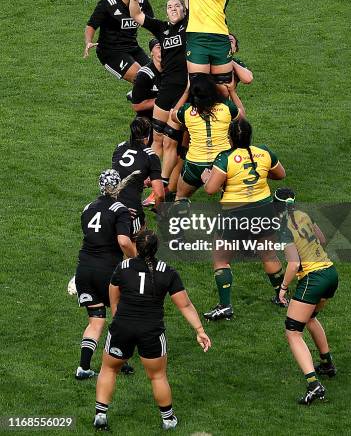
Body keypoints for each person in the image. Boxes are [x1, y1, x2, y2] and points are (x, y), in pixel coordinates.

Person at [93, 229, 211, 432]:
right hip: (151, 331)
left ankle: (101, 415)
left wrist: (118, 314)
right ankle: (167, 419)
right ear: (157, 249)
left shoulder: (123, 267)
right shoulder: (168, 272)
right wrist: (200, 330)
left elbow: (113, 292)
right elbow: (185, 305)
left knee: (109, 368)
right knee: (157, 376)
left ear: (137, 247)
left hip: (122, 327)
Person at [201, 118, 286, 320]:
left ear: (229, 138)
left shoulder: (225, 158)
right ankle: (282, 297)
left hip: (235, 213)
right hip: (264, 210)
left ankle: (225, 306)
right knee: (269, 255)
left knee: (221, 259)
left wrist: (207, 179)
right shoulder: (264, 152)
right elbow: (280, 174)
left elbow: (211, 190)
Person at [129, 0, 189, 204]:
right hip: (166, 87)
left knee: (173, 141)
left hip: (183, 88)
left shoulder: (189, 25)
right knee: (158, 139)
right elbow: (136, 15)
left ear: (184, 11)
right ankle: (156, 182)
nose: (173, 8)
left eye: (177, 6)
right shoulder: (163, 29)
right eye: (169, 7)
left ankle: (163, 187)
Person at [274, 188, 339, 405]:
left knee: (292, 332)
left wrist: (282, 289)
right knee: (310, 318)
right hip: (330, 273)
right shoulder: (304, 215)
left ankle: (314, 384)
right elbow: (322, 238)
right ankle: (327, 364)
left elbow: (293, 264)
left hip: (313, 279)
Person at [75, 170, 136, 380]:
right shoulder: (121, 210)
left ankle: (83, 367)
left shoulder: (87, 208)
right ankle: (121, 359)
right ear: (119, 186)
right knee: (120, 316)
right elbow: (123, 241)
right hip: (107, 271)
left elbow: (96, 231)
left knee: (96, 320)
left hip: (84, 269)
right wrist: (136, 260)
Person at [170, 74, 244, 202]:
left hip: (195, 163)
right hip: (222, 163)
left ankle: (181, 221)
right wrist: (232, 91)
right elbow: (241, 115)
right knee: (230, 197)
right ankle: (229, 219)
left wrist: (186, 91)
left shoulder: (187, 111)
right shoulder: (226, 107)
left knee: (181, 197)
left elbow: (172, 115)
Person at [84, 0, 153, 82]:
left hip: (133, 48)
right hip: (111, 51)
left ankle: (138, 96)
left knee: (157, 76)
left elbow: (152, 26)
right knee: (142, 78)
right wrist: (88, 41)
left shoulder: (142, 2)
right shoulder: (107, 3)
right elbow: (91, 25)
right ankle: (136, 95)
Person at [112, 117, 164, 231]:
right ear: (148, 136)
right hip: (130, 208)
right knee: (141, 242)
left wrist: (140, 181)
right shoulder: (151, 156)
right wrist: (159, 211)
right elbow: (159, 194)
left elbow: (121, 173)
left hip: (111, 205)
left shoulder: (119, 147)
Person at [129, 39, 162, 152]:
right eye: (158, 47)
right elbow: (137, 106)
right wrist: (164, 99)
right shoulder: (144, 74)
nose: (162, 50)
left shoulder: (175, 71)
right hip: (147, 121)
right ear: (151, 52)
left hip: (167, 119)